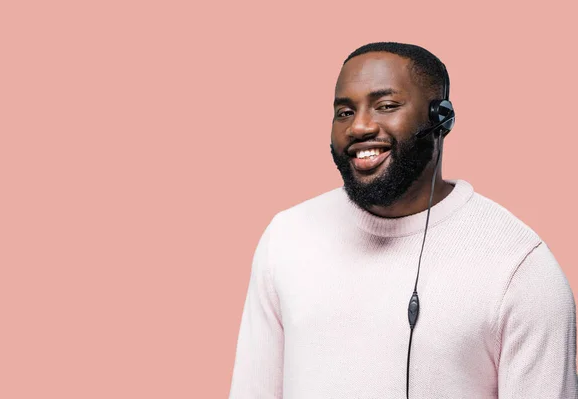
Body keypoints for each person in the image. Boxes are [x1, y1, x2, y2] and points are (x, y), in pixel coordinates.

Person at [228, 42, 577, 398]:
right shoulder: (286, 237)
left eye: (386, 106)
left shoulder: (520, 268)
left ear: (440, 119)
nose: (359, 127)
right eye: (345, 112)